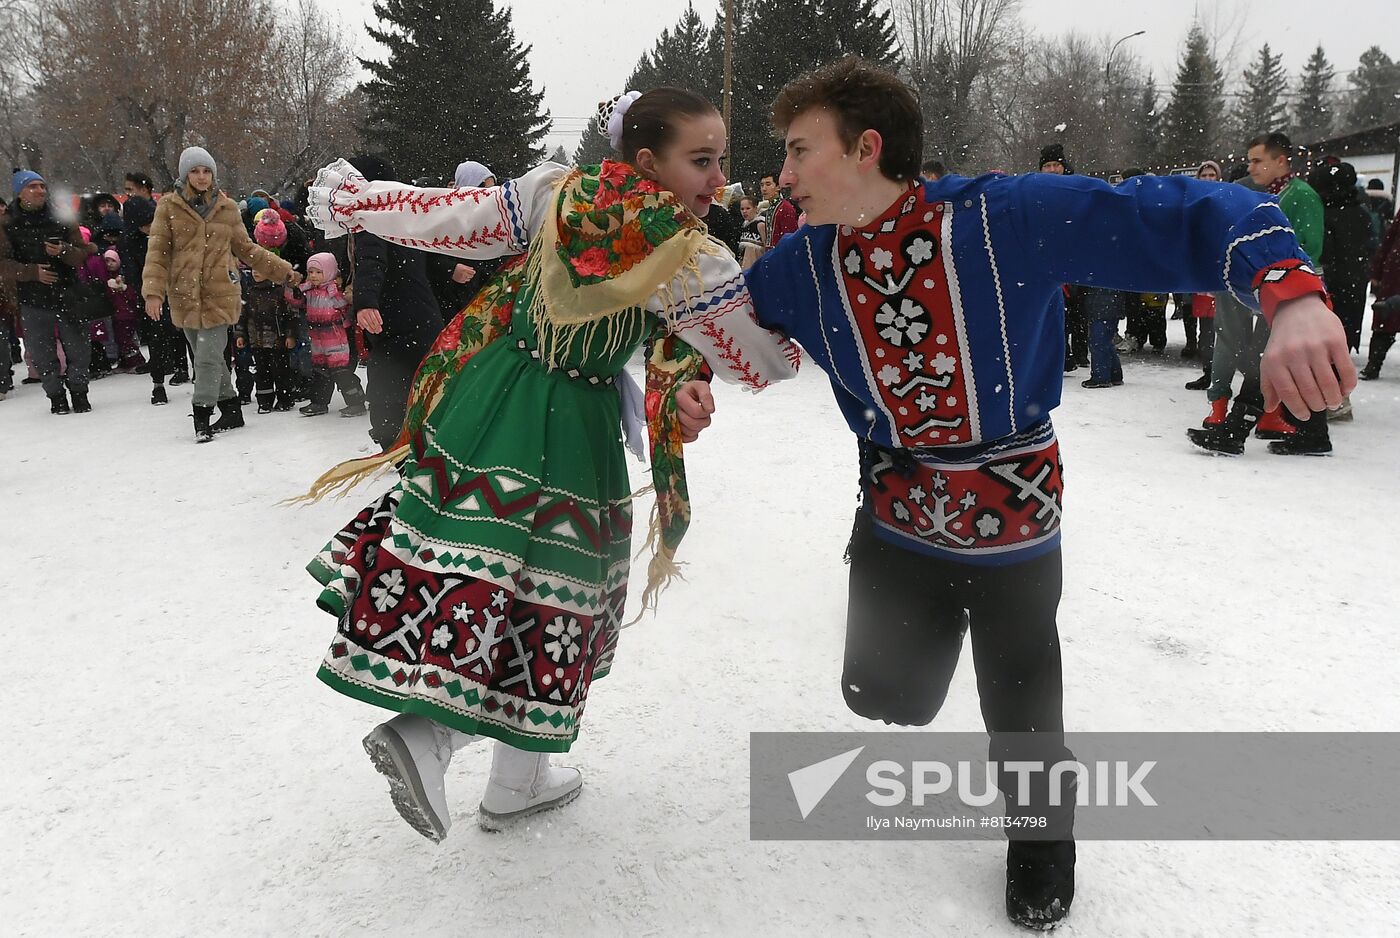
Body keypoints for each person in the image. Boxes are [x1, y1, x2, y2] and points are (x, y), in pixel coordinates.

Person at [673, 57, 1353, 930]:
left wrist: (1291, 296)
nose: (786, 175)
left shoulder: (1005, 218)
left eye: (801, 152)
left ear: (867, 148)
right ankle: (927, 638)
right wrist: (682, 384)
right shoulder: (803, 264)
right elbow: (733, 335)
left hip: (1011, 516)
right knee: (883, 696)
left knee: (1022, 703)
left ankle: (1040, 844)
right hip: (897, 514)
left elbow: (1189, 209)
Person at [300, 87, 799, 843]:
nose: (715, 175)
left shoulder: (556, 192)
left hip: (491, 392)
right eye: (701, 159)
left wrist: (360, 202)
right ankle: (429, 738)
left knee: (499, 581)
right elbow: (759, 364)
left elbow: (451, 218)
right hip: (567, 429)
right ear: (646, 161)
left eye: (719, 159)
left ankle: (518, 779)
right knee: (548, 600)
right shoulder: (693, 257)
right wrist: (797, 312)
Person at [1187, 131, 1329, 456]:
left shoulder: (1301, 196)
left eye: (1257, 160)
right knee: (1268, 359)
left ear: (1280, 161)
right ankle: (1300, 431)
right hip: (1278, 292)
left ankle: (1239, 430)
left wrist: (1273, 266)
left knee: (1266, 357)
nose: (1251, 167)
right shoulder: (1273, 195)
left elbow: (1311, 247)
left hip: (1294, 294)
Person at [142, 146, 296, 442]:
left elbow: (247, 249)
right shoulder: (168, 207)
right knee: (206, 356)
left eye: (206, 171)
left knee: (208, 358)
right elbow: (158, 253)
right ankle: (231, 409)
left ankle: (202, 415)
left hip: (220, 293)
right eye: (195, 171)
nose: (201, 177)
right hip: (184, 295)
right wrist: (153, 293)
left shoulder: (226, 209)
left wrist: (282, 270)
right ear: (184, 174)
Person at [343, 155, 446, 449]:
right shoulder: (402, 212)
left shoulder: (371, 216)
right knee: (420, 391)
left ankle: (402, 454)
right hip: (421, 318)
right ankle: (420, 452)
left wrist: (365, 302)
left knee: (389, 398)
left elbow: (371, 259)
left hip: (398, 322)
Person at [2, 169, 96, 414]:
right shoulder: (8, 222)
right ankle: (56, 396)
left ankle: (79, 392)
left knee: (78, 348)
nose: (40, 191)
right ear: (20, 192)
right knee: (41, 353)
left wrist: (64, 251)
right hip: (32, 297)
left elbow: (82, 253)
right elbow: (3, 263)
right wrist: (32, 272)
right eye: (33, 186)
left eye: (42, 186)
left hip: (68, 292)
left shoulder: (62, 216)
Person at [297, 251, 365, 417]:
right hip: (318, 337)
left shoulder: (334, 290)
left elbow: (343, 305)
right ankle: (319, 402)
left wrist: (334, 290)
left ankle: (356, 401)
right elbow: (296, 301)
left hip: (336, 338)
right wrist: (292, 287)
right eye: (310, 272)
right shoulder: (309, 291)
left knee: (341, 371)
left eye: (318, 272)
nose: (313, 276)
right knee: (320, 371)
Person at [236, 264, 300, 413]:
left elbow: (291, 315)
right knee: (261, 372)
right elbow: (242, 316)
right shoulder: (249, 292)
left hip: (278, 340)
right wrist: (240, 334)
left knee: (281, 371)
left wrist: (290, 335)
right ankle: (264, 401)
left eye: (260, 269)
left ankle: (285, 399)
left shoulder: (280, 291)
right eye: (253, 269)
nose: (256, 272)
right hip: (256, 341)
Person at [1361, 210, 1400, 379]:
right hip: (1395, 272)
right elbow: (1388, 240)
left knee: (1385, 322)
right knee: (1385, 320)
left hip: (1395, 269)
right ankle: (1373, 364)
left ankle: (1373, 365)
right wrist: (1377, 270)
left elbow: (1388, 240)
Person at [758, 170, 798, 248]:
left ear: (778, 187)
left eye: (768, 184)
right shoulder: (771, 207)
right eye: (762, 185)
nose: (764, 189)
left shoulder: (785, 208)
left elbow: (789, 238)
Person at [737, 195, 767, 269]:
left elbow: (767, 247)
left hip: (757, 266)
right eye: (742, 209)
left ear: (755, 208)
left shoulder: (760, 224)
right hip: (745, 266)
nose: (744, 211)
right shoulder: (744, 225)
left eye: (748, 208)